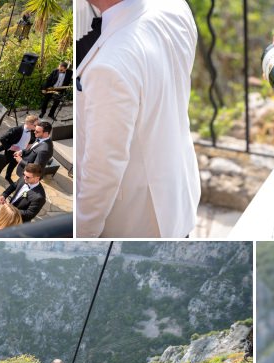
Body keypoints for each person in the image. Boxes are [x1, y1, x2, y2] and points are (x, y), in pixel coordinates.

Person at [76, 0, 201, 238]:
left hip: (136, 219)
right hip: (179, 193)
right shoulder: (175, 6)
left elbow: (102, 170)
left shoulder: (110, 65)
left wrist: (82, 233)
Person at [0, 115, 38, 184]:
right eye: (35, 125)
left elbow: (31, 141)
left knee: (13, 165)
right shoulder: (16, 130)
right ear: (28, 123)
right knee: (3, 164)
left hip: (21, 153)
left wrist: (26, 149)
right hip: (11, 152)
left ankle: (8, 176)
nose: (36, 127)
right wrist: (10, 147)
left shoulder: (32, 131)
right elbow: (2, 138)